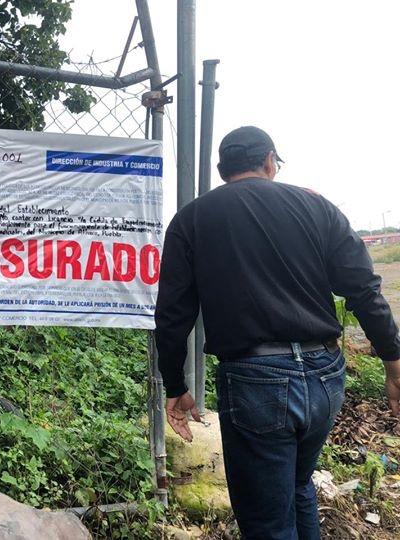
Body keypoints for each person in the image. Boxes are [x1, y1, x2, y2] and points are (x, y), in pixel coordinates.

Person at [154, 126, 400, 539]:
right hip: (326, 375)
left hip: (256, 382)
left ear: (221, 169)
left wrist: (176, 385)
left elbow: (173, 314)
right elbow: (363, 290)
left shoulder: (192, 219)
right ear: (270, 162)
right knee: (298, 485)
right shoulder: (318, 207)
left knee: (267, 522)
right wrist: (394, 363)